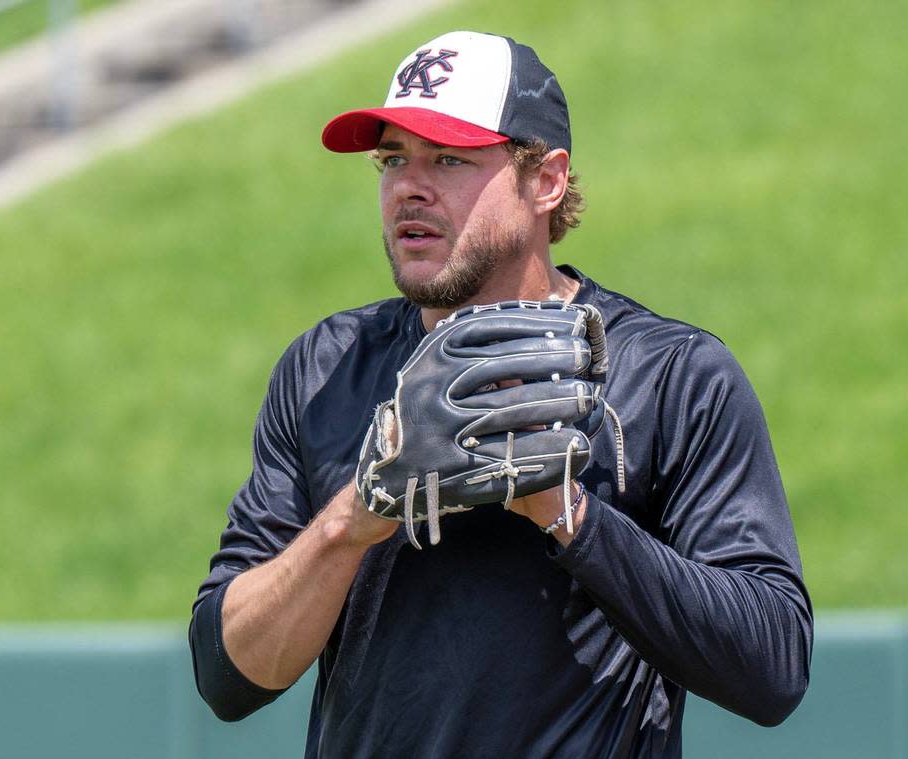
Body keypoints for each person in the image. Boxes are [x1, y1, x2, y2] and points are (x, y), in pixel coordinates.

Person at [190, 30, 812, 757]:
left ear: (546, 179)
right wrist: (356, 517)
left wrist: (566, 514)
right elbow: (228, 675)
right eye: (392, 159)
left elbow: (772, 666)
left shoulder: (670, 376)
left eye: (449, 158)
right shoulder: (327, 368)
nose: (408, 187)